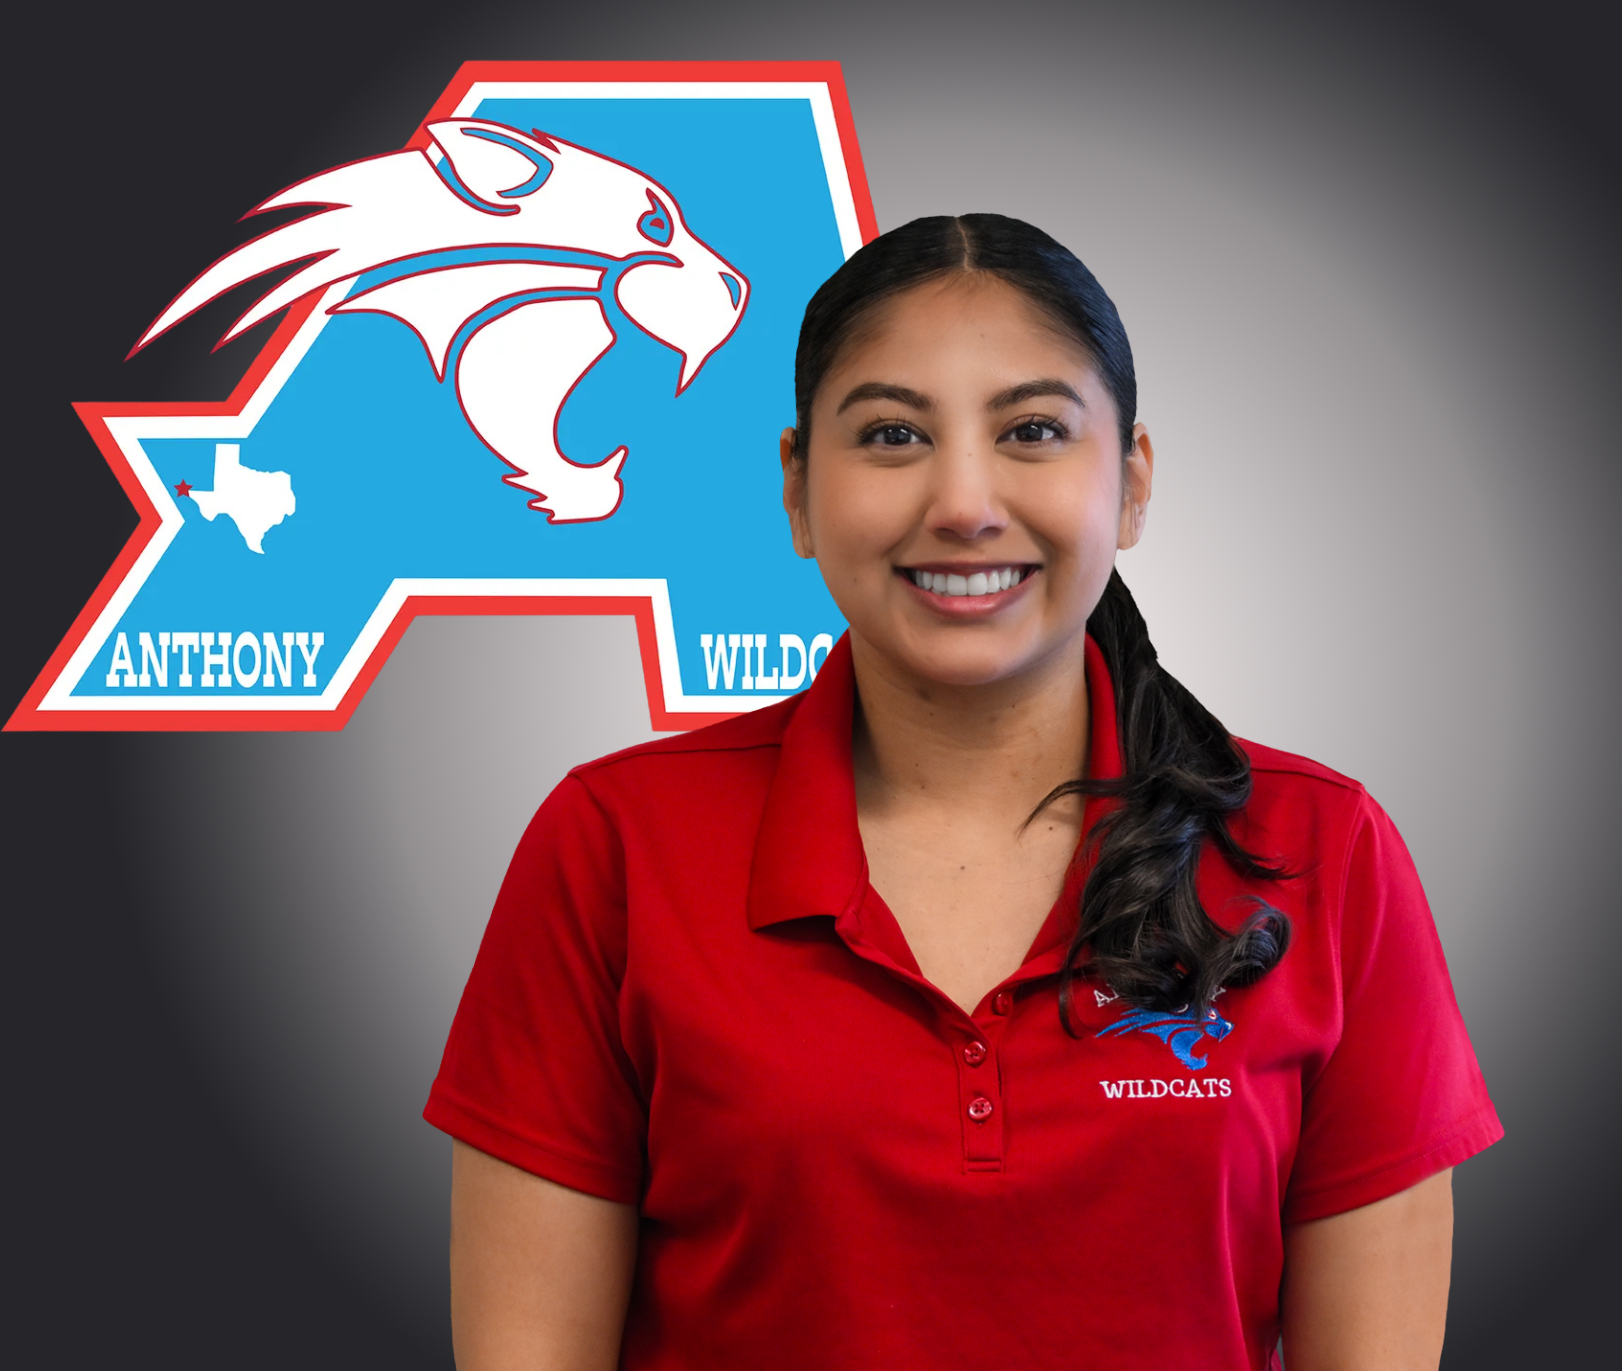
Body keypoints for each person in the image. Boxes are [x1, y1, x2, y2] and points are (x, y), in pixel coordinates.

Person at [426, 214, 1501, 1371]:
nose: (964, 503)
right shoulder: (615, 846)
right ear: (797, 488)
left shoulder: (1321, 851)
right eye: (892, 435)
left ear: (1132, 482)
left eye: (1033, 430)